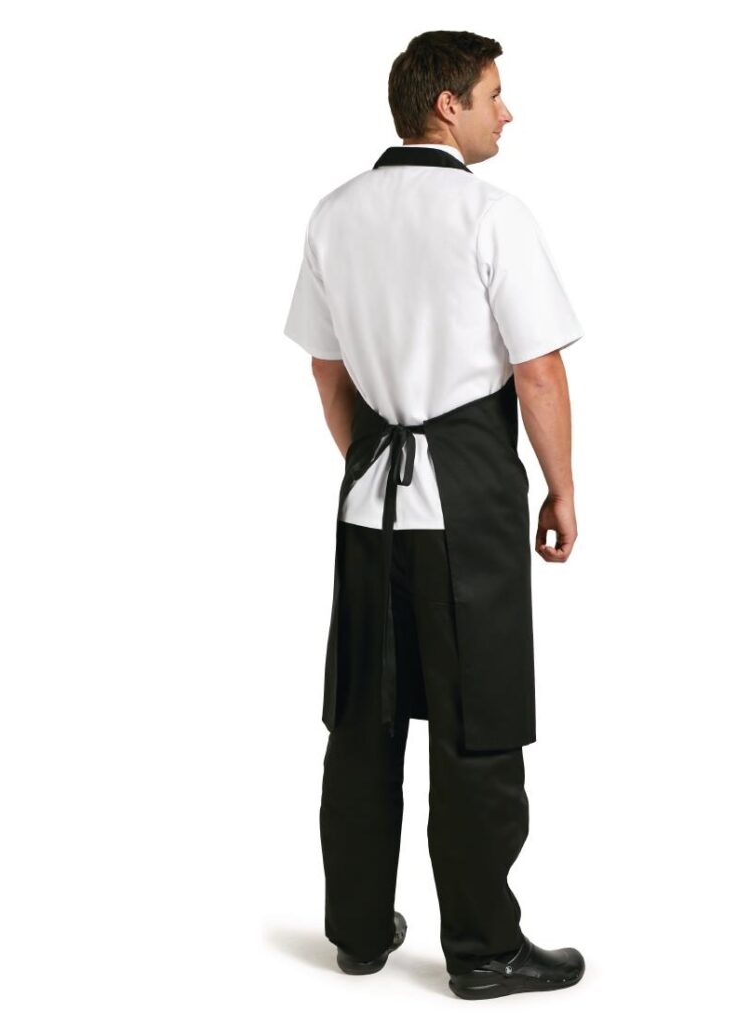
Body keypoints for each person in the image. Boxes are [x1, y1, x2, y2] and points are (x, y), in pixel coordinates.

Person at [283, 29, 585, 1000]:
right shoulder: (490, 214)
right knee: (476, 721)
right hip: (470, 497)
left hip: (368, 504)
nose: (507, 112)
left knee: (362, 716)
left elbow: (327, 370)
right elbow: (538, 371)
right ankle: (485, 950)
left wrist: (371, 463)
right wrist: (561, 487)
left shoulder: (335, 214)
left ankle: (358, 931)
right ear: (447, 106)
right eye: (494, 95)